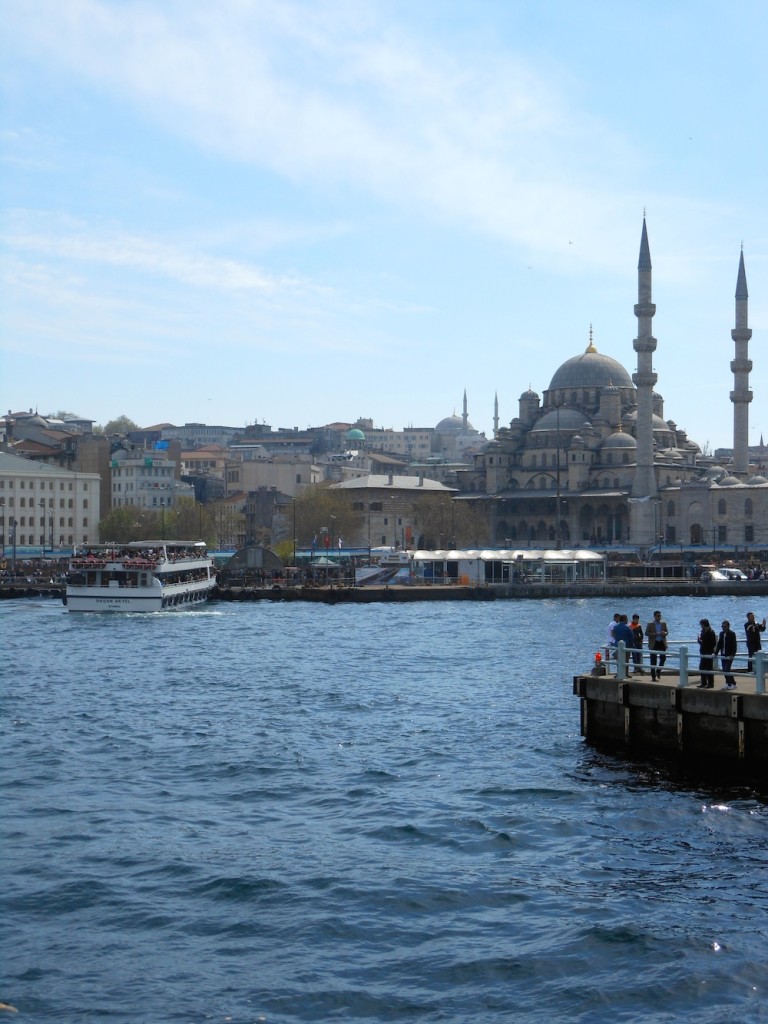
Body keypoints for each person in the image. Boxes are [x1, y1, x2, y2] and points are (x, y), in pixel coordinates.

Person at [646, 610, 668, 681]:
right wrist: (656, 634)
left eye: (660, 616)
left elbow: (667, 631)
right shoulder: (650, 624)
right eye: (658, 616)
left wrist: (665, 633)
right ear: (654, 616)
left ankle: (658, 670)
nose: (659, 617)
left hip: (661, 642)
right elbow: (646, 633)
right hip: (654, 643)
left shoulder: (663, 623)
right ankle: (653, 677)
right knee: (653, 660)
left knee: (663, 658)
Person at [715, 620, 738, 690]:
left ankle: (733, 683)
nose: (723, 628)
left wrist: (732, 654)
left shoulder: (732, 634)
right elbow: (719, 644)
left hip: (729, 655)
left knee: (727, 669)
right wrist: (716, 653)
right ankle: (728, 683)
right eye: (722, 626)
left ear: (728, 626)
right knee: (724, 670)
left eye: (725, 626)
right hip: (723, 654)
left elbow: (734, 645)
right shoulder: (721, 634)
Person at [697, 618, 717, 688]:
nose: (701, 626)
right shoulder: (702, 631)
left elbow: (713, 643)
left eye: (701, 625)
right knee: (701, 667)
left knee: (709, 668)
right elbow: (702, 641)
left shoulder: (711, 632)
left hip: (708, 652)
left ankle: (710, 683)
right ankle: (704, 682)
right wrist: (699, 640)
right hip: (703, 651)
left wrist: (703, 642)